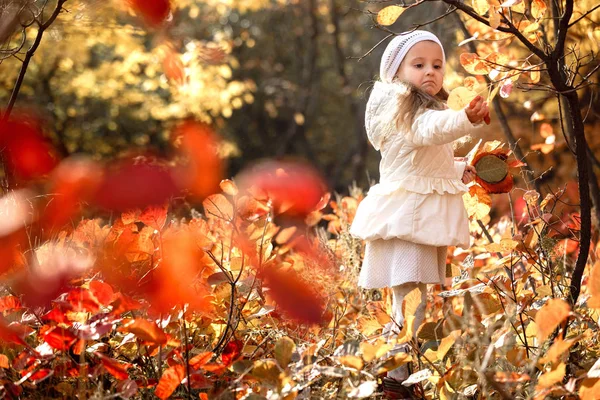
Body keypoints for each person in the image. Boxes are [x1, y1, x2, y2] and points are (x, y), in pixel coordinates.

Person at [349, 30, 489, 397]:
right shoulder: (404, 106)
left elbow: (426, 159)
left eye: (437, 65)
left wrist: (458, 168)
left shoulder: (423, 108)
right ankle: (394, 377)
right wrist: (466, 119)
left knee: (413, 297)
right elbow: (430, 131)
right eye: (419, 64)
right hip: (408, 220)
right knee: (411, 298)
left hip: (415, 217)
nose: (430, 71)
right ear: (396, 72)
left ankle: (395, 369)